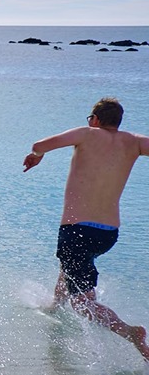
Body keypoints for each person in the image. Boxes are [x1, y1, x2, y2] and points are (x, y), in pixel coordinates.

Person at [23, 97, 149, 360]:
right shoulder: (135, 141)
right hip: (108, 233)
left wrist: (37, 156)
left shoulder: (87, 134)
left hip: (77, 229)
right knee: (69, 264)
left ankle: (130, 333)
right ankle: (55, 306)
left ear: (95, 119)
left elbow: (39, 145)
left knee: (82, 304)